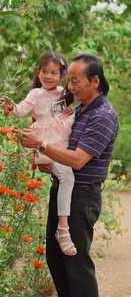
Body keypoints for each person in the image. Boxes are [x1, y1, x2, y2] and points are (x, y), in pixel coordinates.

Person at [21, 53, 119, 297]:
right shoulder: (78, 110)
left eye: (75, 81)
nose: (70, 86)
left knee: (76, 267)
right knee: (56, 260)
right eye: (70, 80)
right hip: (63, 190)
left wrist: (41, 144)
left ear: (94, 81)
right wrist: (46, 156)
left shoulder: (102, 115)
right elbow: (60, 147)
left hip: (82, 197)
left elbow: (76, 160)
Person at [0, 51, 77, 256]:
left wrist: (69, 112)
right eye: (44, 71)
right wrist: (11, 106)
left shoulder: (63, 92)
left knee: (67, 175)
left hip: (60, 145)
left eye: (53, 72)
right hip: (42, 146)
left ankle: (62, 228)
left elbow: (67, 111)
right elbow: (21, 110)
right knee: (65, 175)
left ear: (61, 74)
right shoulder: (35, 94)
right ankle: (61, 228)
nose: (48, 76)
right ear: (39, 72)